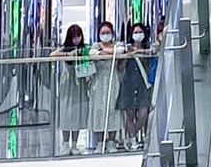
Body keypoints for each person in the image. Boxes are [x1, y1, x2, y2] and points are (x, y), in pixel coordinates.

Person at [51, 23, 91, 153]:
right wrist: (68, 55)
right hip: (67, 83)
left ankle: (75, 143)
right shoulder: (65, 48)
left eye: (78, 36)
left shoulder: (84, 49)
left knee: (78, 112)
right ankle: (65, 143)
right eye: (74, 37)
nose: (76, 39)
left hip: (80, 82)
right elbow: (52, 55)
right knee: (66, 112)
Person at [117, 23, 155, 149]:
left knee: (143, 114)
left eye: (140, 32)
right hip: (128, 84)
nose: (137, 34)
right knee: (130, 114)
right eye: (135, 32)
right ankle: (132, 139)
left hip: (143, 85)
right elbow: (120, 68)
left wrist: (139, 51)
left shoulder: (148, 48)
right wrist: (127, 56)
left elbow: (153, 55)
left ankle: (132, 135)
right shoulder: (125, 49)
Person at [87, 21, 123, 152]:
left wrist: (103, 52)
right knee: (98, 110)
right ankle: (100, 142)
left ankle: (112, 141)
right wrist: (109, 53)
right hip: (98, 81)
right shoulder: (95, 45)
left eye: (108, 32)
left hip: (113, 80)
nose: (105, 35)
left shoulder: (117, 44)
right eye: (103, 33)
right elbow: (92, 54)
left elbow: (119, 52)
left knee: (113, 109)